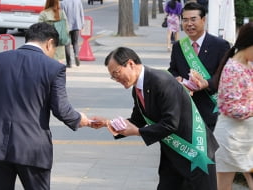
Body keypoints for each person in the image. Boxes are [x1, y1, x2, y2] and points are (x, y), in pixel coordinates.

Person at [0, 22, 92, 190]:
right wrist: (80, 119)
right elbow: (60, 108)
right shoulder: (54, 68)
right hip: (33, 148)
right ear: (50, 43)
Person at [91, 47, 219, 190]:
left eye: (116, 73)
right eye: (113, 76)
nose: (116, 79)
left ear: (131, 64)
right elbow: (137, 120)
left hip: (195, 152)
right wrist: (107, 123)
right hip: (172, 155)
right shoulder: (138, 88)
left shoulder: (161, 81)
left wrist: (138, 132)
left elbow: (171, 123)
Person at [167, 2, 230, 131]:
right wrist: (176, 78)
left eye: (193, 19)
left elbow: (226, 75)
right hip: (186, 110)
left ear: (203, 20)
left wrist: (206, 83)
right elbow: (172, 69)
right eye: (185, 20)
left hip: (212, 110)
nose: (189, 24)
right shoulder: (179, 46)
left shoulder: (220, 45)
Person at [211, 22, 253, 190]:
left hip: (244, 136)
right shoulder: (233, 69)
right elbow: (230, 108)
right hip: (232, 137)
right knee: (223, 185)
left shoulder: (247, 65)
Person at [61, 0, 84, 68]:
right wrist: (82, 24)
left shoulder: (63, 3)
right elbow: (81, 13)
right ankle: (76, 54)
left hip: (66, 26)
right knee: (75, 42)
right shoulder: (78, 2)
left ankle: (69, 63)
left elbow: (61, 16)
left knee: (67, 44)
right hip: (76, 25)